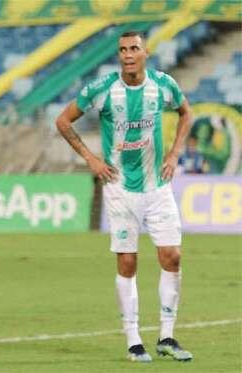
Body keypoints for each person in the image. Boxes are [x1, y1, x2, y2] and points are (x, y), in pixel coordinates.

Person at [56, 31, 193, 362]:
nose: (128, 54)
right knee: (128, 261)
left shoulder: (162, 85)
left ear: (146, 53)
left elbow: (187, 113)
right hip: (119, 188)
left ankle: (167, 336)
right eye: (122, 50)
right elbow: (63, 120)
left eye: (134, 48)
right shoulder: (103, 90)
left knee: (172, 256)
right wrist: (90, 159)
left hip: (157, 186)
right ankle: (133, 340)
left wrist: (174, 154)